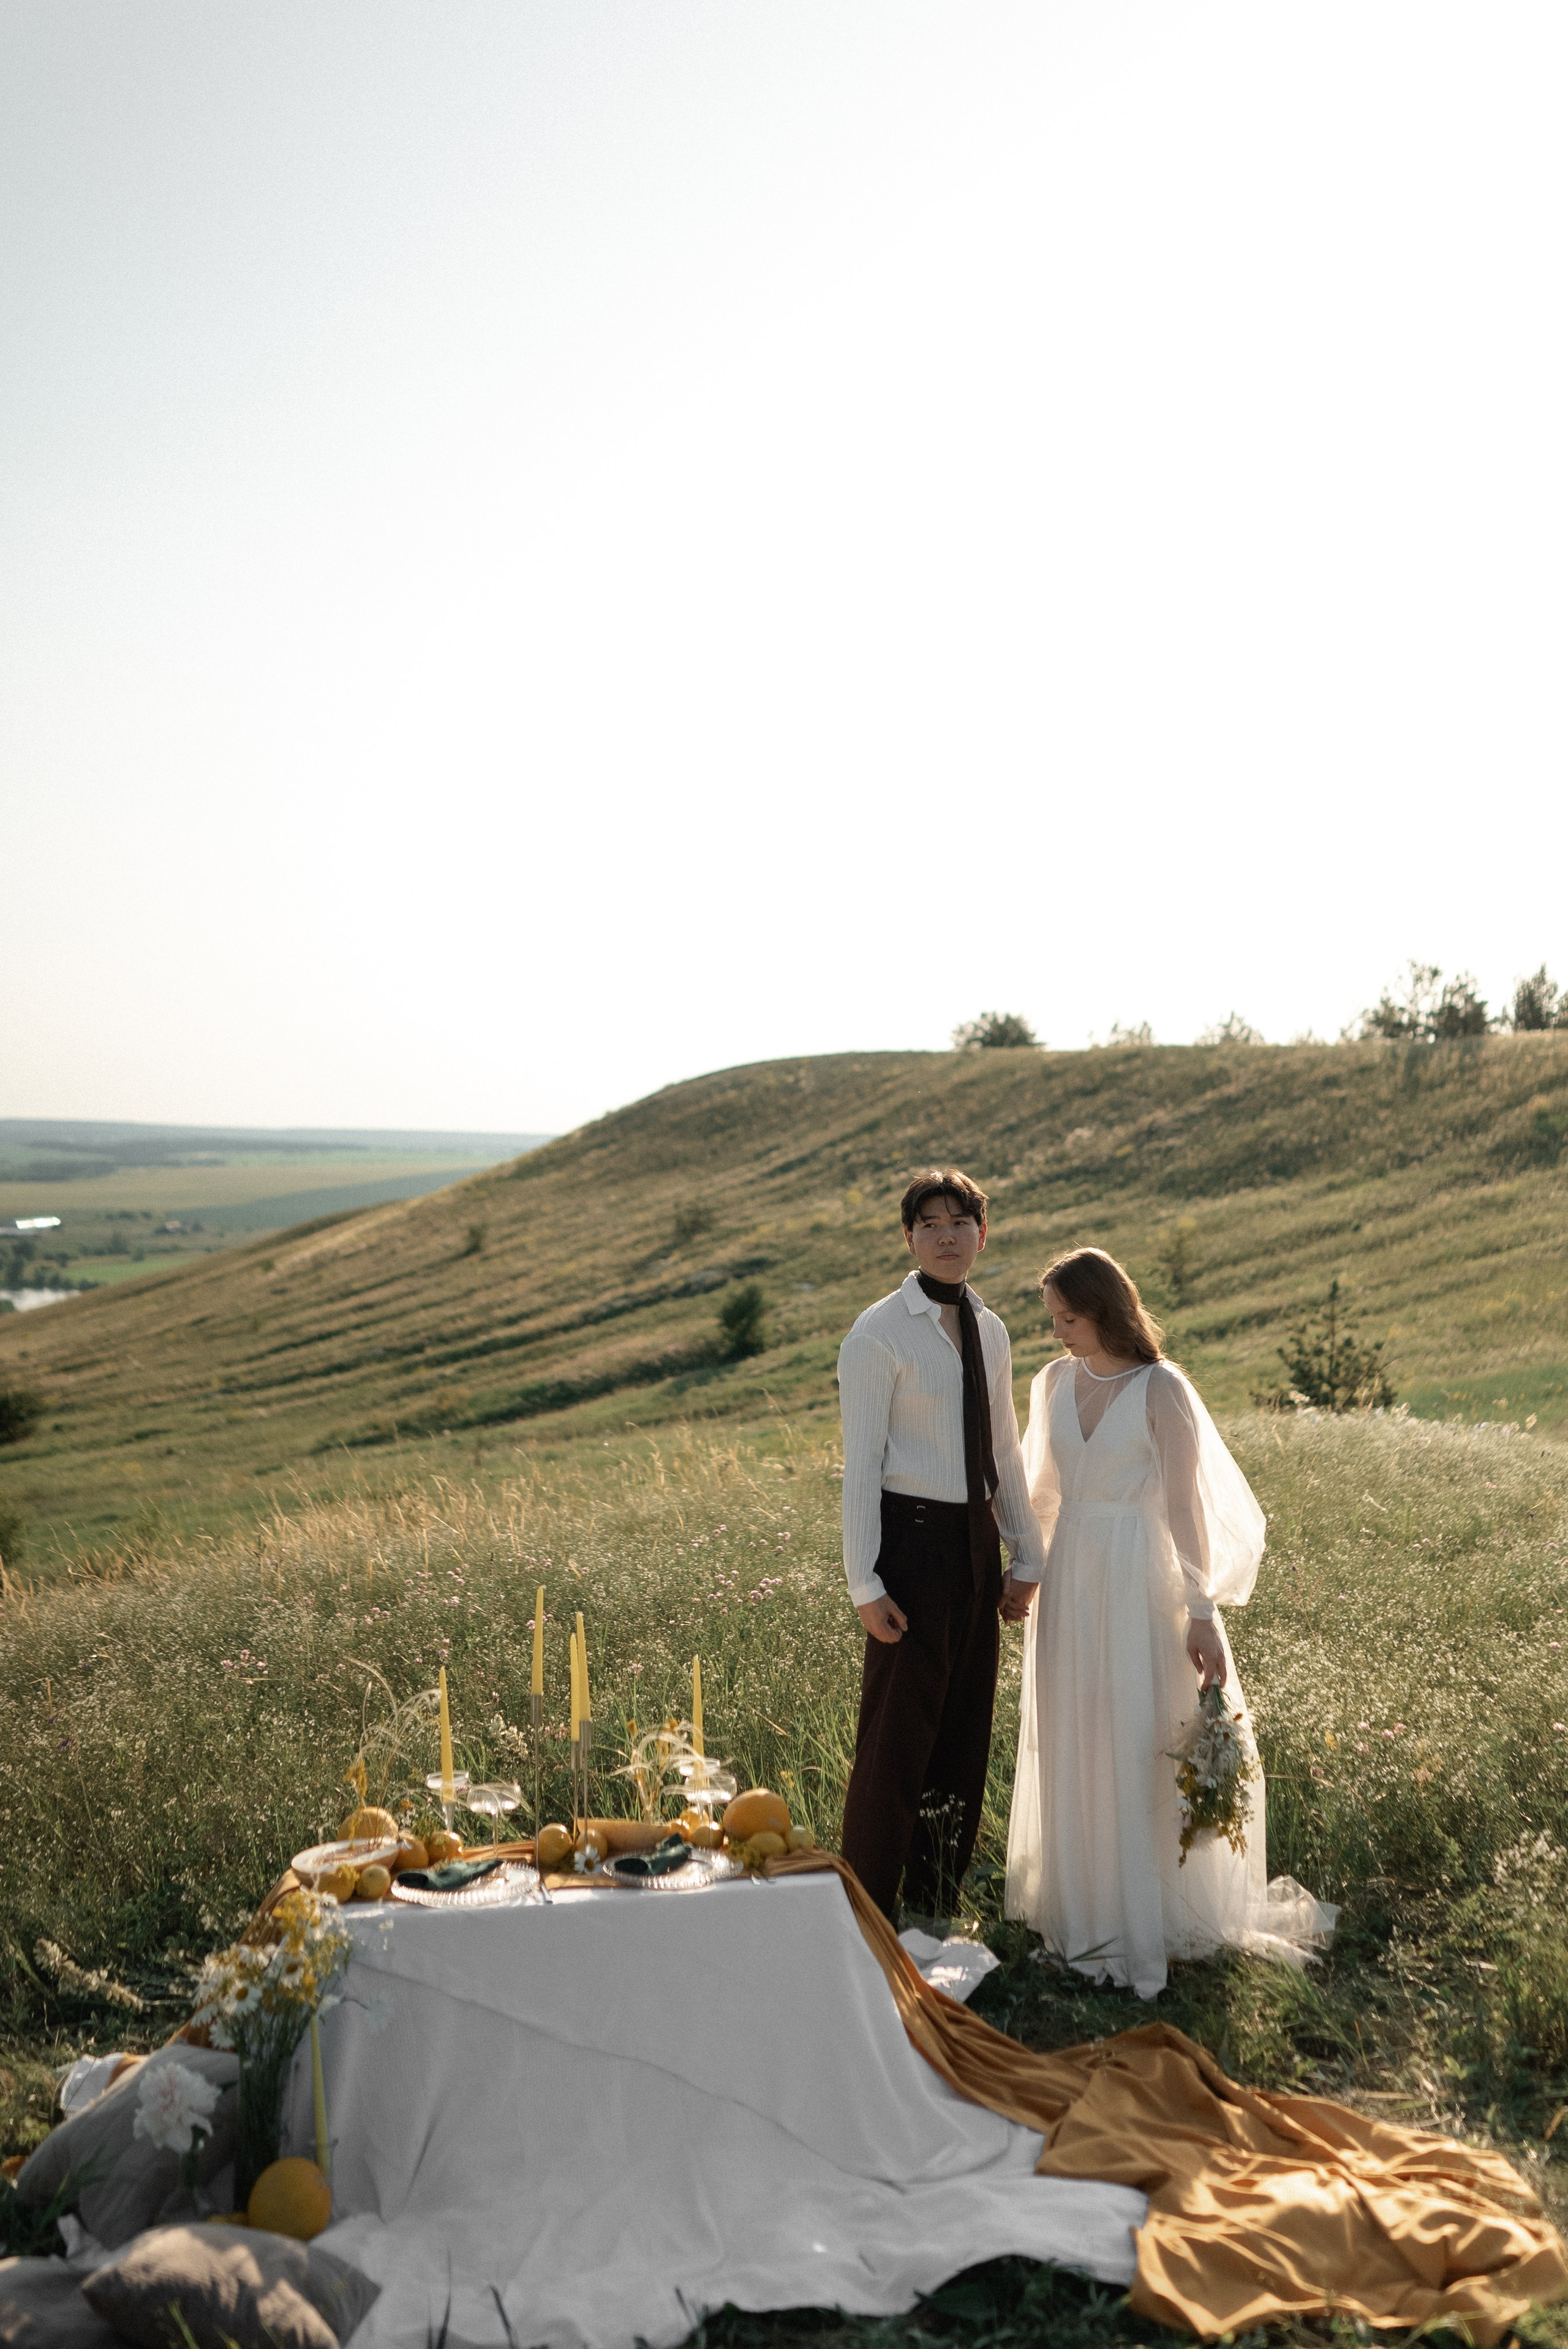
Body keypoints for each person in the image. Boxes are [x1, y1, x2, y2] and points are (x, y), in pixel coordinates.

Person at [1005, 1246, 1336, 1997]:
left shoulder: (1162, 1388)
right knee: (1078, 1735)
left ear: (1107, 1310)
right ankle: (1087, 1912)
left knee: (1141, 1733)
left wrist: (1201, 1607)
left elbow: (1186, 1509)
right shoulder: (1052, 1381)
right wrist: (1024, 1572)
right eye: (1052, 1318)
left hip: (1138, 1580)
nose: (1058, 1331)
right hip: (1069, 1583)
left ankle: (1153, 1912)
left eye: (1070, 1317)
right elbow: (1043, 1494)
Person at [837, 1170, 1044, 1920]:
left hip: (977, 1546)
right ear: (909, 1238)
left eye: (961, 1223)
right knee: (896, 1744)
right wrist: (865, 1581)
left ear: (982, 1235)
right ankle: (864, 1914)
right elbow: (860, 1465)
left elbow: (1005, 1450)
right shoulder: (877, 1333)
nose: (948, 1236)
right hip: (911, 1546)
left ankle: (933, 1910)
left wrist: (1027, 1556)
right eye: (931, 1224)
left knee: (962, 1738)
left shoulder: (990, 1329)